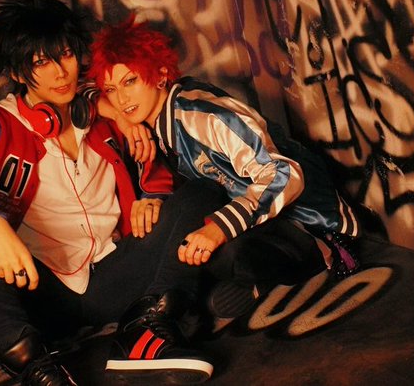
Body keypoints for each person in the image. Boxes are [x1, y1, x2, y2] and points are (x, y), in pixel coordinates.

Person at [0, 0, 227, 385]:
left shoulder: (106, 107)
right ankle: (34, 367)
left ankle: (145, 331)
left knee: (204, 190)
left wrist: (153, 196)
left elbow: (156, 163)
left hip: (113, 277)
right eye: (41, 62)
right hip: (40, 294)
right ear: (19, 73)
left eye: (65, 55)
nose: (60, 73)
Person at [87, 17, 362, 318]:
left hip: (308, 220)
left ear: (161, 75)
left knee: (221, 252)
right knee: (185, 246)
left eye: (130, 81)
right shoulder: (151, 126)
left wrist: (219, 228)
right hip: (256, 219)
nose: (122, 99)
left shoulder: (200, 114)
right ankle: (245, 287)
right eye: (111, 89)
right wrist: (153, 198)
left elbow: (285, 174)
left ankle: (315, 257)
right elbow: (79, 92)